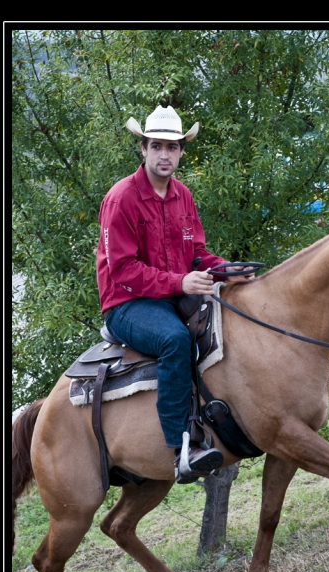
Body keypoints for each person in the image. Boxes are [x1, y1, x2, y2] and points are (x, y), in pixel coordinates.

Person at [96, 105, 252, 483]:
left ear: (182, 151)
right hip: (128, 302)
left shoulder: (182, 195)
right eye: (157, 146)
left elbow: (196, 253)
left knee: (232, 319)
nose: (164, 154)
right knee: (174, 339)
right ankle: (182, 447)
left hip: (170, 296)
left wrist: (227, 269)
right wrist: (180, 283)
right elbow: (123, 271)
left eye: (173, 147)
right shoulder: (121, 199)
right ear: (143, 149)